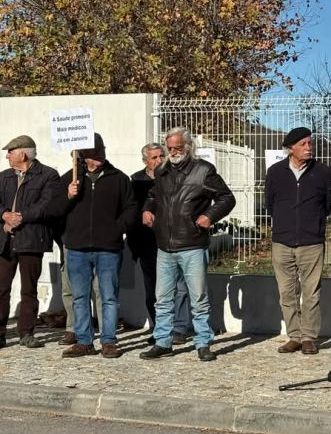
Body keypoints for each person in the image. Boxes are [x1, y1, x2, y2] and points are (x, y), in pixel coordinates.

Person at [140, 127, 235, 362]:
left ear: (188, 147)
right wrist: (148, 209)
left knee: (198, 298)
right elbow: (153, 195)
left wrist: (209, 216)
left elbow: (226, 198)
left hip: (192, 243)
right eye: (169, 148)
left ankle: (203, 342)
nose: (172, 153)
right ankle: (163, 341)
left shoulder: (203, 170)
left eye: (178, 148)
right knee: (163, 299)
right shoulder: (162, 171)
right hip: (165, 244)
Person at [50, 133, 137, 358]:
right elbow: (54, 210)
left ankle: (109, 341)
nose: (99, 157)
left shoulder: (119, 178)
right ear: (84, 156)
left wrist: (117, 228)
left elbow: (131, 209)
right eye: (94, 154)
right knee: (80, 297)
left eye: (101, 152)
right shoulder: (69, 179)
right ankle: (84, 341)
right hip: (76, 248)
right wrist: (68, 195)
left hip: (108, 248)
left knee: (108, 296)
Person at [265, 127, 331, 355]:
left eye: (310, 143)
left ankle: (309, 337)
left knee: (311, 293)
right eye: (303, 144)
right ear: (290, 148)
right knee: (287, 292)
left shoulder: (321, 172)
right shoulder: (275, 172)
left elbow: (327, 205)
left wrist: (313, 224)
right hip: (282, 241)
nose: (308, 147)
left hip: (311, 241)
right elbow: (270, 204)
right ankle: (294, 336)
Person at [129, 143, 193, 345]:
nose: (158, 160)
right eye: (154, 157)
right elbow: (132, 213)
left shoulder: (174, 176)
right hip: (147, 243)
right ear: (145, 161)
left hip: (173, 239)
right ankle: (160, 328)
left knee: (179, 286)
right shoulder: (135, 181)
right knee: (153, 289)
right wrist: (134, 245)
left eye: (161, 156)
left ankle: (179, 328)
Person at [0, 135, 60, 349]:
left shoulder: (48, 175)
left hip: (32, 239)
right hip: (5, 241)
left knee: (29, 289)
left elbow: (47, 205)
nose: (7, 156)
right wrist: (5, 214)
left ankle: (26, 332)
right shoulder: (4, 176)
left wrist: (21, 217)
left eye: (10, 152)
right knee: (1, 288)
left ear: (23, 154)